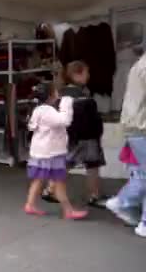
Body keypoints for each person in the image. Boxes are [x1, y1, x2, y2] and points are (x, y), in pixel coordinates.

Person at [42, 61, 106, 207]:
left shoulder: (62, 93)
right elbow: (92, 119)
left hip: (69, 136)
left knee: (66, 163)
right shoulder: (83, 95)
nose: (88, 75)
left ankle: (50, 189)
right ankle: (94, 195)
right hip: (87, 137)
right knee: (92, 165)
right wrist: (98, 132)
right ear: (77, 75)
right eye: (86, 72)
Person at [23, 83, 87, 220]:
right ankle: (68, 210)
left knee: (40, 180)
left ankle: (30, 204)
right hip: (51, 153)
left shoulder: (39, 110)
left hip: (43, 152)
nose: (59, 94)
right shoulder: (47, 111)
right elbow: (64, 120)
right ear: (51, 95)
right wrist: (67, 103)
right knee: (59, 181)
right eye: (56, 92)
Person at [106, 53, 146, 237]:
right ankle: (123, 201)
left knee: (142, 174)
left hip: (136, 126)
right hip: (141, 127)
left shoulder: (139, 64)